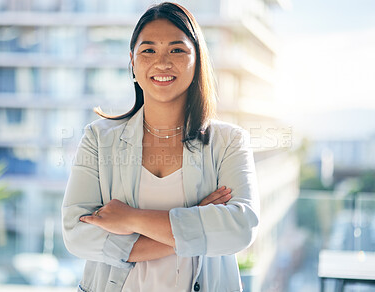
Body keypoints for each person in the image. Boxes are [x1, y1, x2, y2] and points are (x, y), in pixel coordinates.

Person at [62, 2, 260, 292]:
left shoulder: (229, 141)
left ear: (197, 60)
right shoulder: (98, 139)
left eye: (177, 50)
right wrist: (197, 219)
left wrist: (130, 218)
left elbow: (240, 230)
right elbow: (76, 233)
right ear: (132, 62)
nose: (163, 62)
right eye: (149, 50)